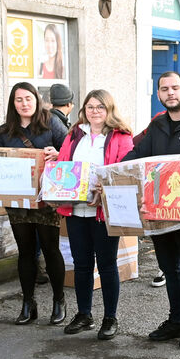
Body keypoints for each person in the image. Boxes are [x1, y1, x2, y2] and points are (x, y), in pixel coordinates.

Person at [125, 71, 180, 349]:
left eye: (175, 88)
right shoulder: (158, 125)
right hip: (159, 212)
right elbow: (135, 157)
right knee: (169, 268)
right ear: (159, 94)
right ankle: (177, 320)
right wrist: (109, 172)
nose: (170, 93)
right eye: (164, 89)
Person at [56, 89, 134, 340]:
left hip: (104, 210)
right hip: (76, 209)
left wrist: (107, 187)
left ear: (109, 109)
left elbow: (127, 171)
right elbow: (63, 163)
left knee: (107, 264)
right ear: (83, 110)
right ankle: (84, 314)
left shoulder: (121, 137)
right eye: (90, 107)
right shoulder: (74, 134)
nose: (94, 111)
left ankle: (110, 317)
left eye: (100, 107)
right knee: (81, 264)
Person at [0, 82, 69, 325]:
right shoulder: (6, 131)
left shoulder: (51, 123)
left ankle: (59, 300)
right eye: (18, 100)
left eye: (28, 98)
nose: (24, 103)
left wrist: (58, 154)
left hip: (47, 196)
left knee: (50, 248)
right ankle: (28, 302)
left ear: (37, 100)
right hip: (17, 199)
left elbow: (70, 152)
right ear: (12, 104)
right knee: (25, 251)